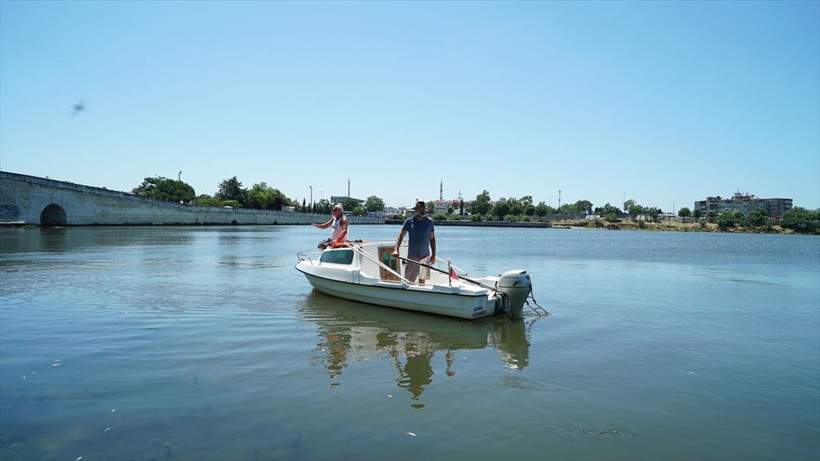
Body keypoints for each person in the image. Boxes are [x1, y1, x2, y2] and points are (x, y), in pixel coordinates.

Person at [393, 200, 436, 285]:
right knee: (409, 280)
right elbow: (400, 236)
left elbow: (432, 239)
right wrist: (395, 249)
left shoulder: (429, 222)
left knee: (422, 279)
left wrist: (434, 255)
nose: (423, 211)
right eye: (420, 209)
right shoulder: (409, 221)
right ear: (416, 210)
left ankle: (422, 295)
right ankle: (407, 295)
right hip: (413, 255)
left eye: (424, 209)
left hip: (425, 255)